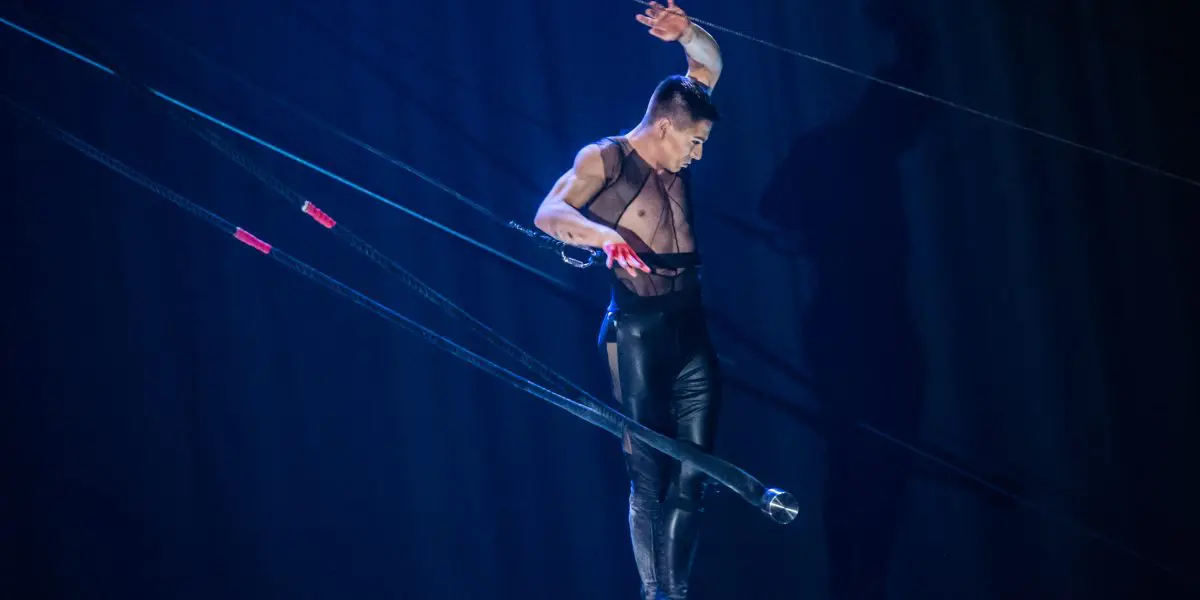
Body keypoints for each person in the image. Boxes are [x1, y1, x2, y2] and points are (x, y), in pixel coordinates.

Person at [533, 2, 723, 597]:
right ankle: (654, 593)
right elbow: (548, 212)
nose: (697, 155)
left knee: (694, 476)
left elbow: (708, 65)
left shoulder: (681, 130)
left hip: (691, 330)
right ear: (665, 126)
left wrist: (687, 31)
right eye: (694, 142)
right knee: (649, 474)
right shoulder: (606, 158)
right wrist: (602, 236)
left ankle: (676, 594)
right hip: (636, 335)